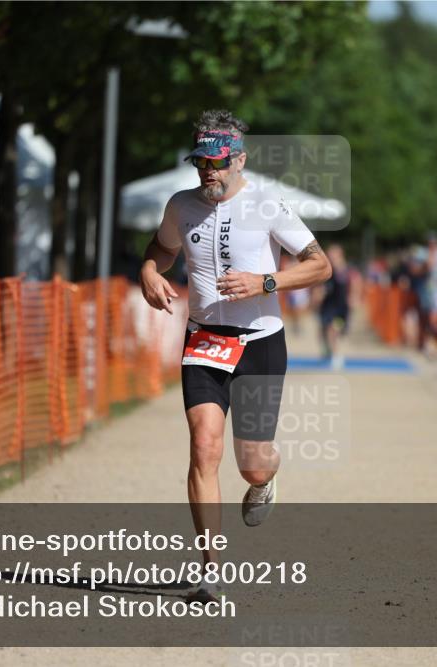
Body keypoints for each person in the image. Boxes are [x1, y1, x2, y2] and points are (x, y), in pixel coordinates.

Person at [139, 110, 331, 601]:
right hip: (204, 341)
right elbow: (161, 248)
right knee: (204, 446)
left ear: (240, 160)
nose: (209, 171)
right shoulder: (181, 205)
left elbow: (320, 266)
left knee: (253, 465)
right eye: (201, 162)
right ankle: (211, 570)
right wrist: (149, 272)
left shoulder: (268, 204)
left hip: (260, 343)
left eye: (218, 163)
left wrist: (266, 282)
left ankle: (266, 479)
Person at [316, 244, 352, 370]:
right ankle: (328, 351)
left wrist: (354, 297)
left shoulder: (346, 271)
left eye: (333, 254)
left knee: (333, 330)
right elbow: (320, 288)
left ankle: (337, 356)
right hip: (327, 307)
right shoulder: (327, 270)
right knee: (323, 331)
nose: (331, 256)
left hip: (340, 308)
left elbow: (356, 282)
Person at [416, 232, 437, 354]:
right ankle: (428, 341)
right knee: (426, 318)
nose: (432, 245)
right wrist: (426, 266)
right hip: (425, 290)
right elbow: (415, 270)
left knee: (434, 318)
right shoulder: (422, 253)